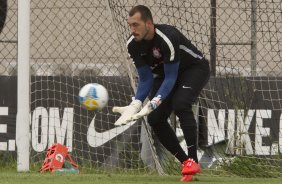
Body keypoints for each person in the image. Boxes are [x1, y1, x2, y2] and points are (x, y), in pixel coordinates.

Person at [112, 5, 210, 182]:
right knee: (155, 119)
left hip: (192, 69)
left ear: (149, 23)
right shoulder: (132, 45)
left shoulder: (167, 37)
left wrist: (155, 100)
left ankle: (193, 158)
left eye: (136, 25)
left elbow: (172, 77)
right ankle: (187, 163)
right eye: (130, 25)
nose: (132, 30)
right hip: (164, 75)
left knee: (181, 104)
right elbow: (146, 78)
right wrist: (136, 103)